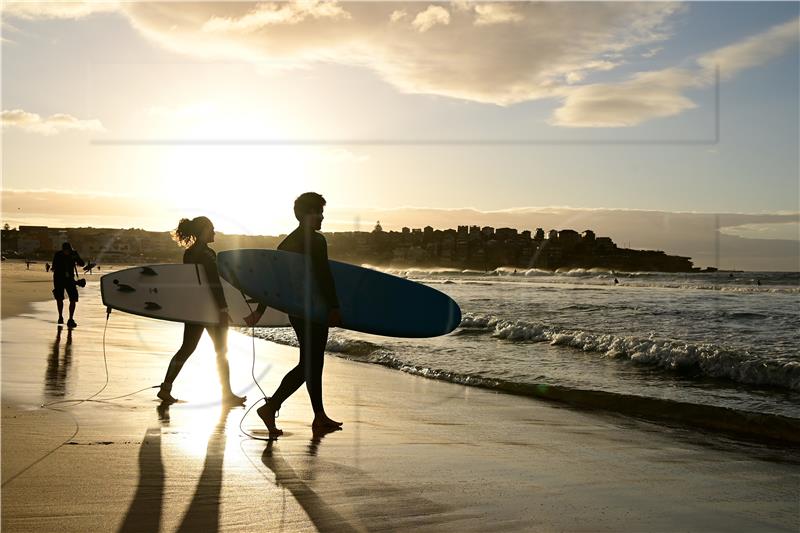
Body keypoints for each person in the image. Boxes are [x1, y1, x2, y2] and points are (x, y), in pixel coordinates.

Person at [245, 192, 343, 436]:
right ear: (306, 214)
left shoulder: (286, 243)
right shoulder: (316, 241)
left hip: (297, 311)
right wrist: (334, 306)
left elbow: (274, 284)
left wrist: (259, 311)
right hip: (314, 309)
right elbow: (324, 276)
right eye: (318, 212)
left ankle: (318, 415)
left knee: (312, 363)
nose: (322, 217)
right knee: (310, 363)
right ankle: (272, 406)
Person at [156, 216, 246, 406]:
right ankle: (227, 394)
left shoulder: (189, 253)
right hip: (210, 310)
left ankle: (166, 388)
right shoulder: (207, 254)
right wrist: (222, 308)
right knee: (221, 350)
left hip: (194, 308)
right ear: (204, 229)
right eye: (211, 228)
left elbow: (193, 283)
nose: (214, 232)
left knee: (186, 348)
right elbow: (213, 282)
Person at [51, 242, 85, 328]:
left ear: (70, 249)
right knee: (59, 298)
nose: (66, 252)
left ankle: (70, 319)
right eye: (65, 250)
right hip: (58, 278)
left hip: (70, 279)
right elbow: (54, 267)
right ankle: (60, 317)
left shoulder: (74, 253)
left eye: (68, 250)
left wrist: (76, 258)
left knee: (73, 299)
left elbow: (82, 263)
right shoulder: (58, 254)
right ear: (62, 250)